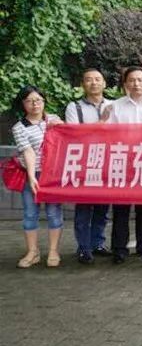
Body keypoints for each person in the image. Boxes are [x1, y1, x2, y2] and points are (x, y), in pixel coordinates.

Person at [102, 66, 142, 264]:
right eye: (132, 80)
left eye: (140, 80)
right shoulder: (115, 106)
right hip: (122, 161)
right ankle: (119, 248)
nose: (136, 84)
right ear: (125, 84)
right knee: (121, 208)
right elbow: (107, 133)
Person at [12, 86, 64, 268]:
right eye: (29, 101)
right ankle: (32, 252)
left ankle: (53, 251)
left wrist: (60, 126)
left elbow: (68, 139)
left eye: (38, 100)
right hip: (32, 174)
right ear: (23, 104)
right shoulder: (19, 128)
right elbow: (28, 152)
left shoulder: (54, 120)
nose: (35, 104)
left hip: (53, 174)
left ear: (44, 101)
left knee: (53, 213)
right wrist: (32, 176)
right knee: (30, 213)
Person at [65, 69, 113, 264]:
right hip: (84, 163)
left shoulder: (113, 105)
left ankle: (97, 243)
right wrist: (101, 123)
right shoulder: (74, 107)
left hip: (109, 161)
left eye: (97, 79)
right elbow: (74, 134)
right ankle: (83, 248)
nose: (94, 83)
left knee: (102, 207)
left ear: (104, 83)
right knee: (84, 207)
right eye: (89, 80)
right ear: (82, 84)